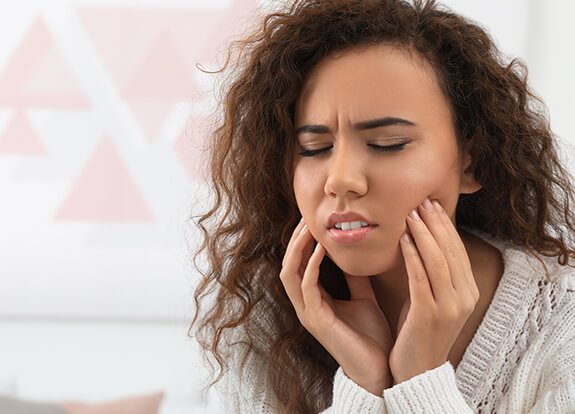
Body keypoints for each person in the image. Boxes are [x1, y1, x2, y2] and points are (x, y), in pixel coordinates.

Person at [190, 0, 575, 412]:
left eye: (386, 144)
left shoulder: (562, 326)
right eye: (313, 148)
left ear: (472, 161)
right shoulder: (259, 321)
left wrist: (421, 381)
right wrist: (363, 384)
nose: (340, 179)